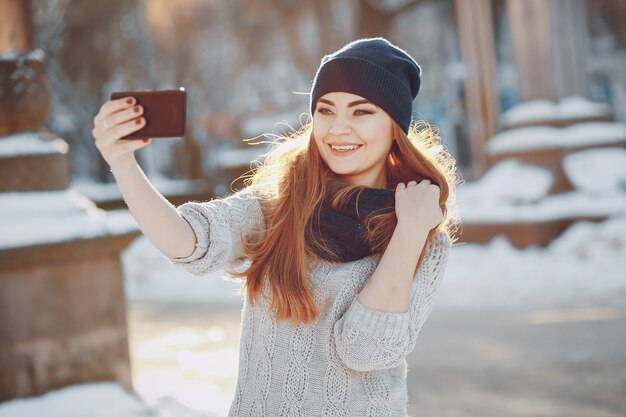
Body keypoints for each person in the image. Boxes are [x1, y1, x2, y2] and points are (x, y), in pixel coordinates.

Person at [92, 37, 459, 417]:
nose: (338, 128)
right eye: (326, 110)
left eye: (362, 112)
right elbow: (190, 243)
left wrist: (409, 234)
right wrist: (122, 163)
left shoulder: (424, 236)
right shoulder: (278, 203)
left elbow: (364, 350)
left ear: (394, 126)